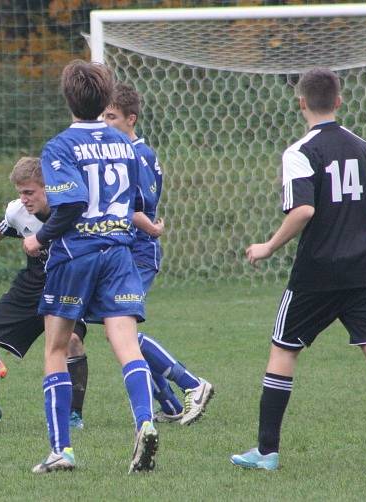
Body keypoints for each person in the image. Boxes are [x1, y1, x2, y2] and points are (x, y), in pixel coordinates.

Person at [230, 68, 366, 471]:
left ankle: (266, 452)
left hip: (318, 271)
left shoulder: (299, 151)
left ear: (301, 103)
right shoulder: (362, 146)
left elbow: (304, 210)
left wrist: (266, 247)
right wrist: (361, 224)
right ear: (338, 100)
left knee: (284, 349)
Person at [23, 60, 157, 474]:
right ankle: (145, 422)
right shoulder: (123, 143)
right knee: (126, 345)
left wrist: (39, 238)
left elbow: (72, 203)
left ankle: (61, 450)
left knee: (56, 348)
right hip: (119, 254)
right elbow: (138, 204)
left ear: (68, 99)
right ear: (105, 100)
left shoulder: (60, 146)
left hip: (76, 255)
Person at [0, 157, 89, 431]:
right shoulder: (18, 210)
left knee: (71, 340)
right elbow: (5, 224)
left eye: (29, 192)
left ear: (49, 187)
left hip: (67, 282)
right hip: (33, 282)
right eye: (20, 193)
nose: (23, 199)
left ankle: (73, 414)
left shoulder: (73, 208)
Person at [104, 83, 214, 426]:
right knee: (116, 330)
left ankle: (192, 384)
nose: (105, 122)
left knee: (120, 330)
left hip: (139, 252)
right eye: (103, 115)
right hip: (122, 251)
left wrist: (146, 226)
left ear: (130, 119)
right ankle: (168, 404)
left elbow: (143, 208)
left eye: (112, 116)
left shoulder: (138, 154)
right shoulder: (120, 151)